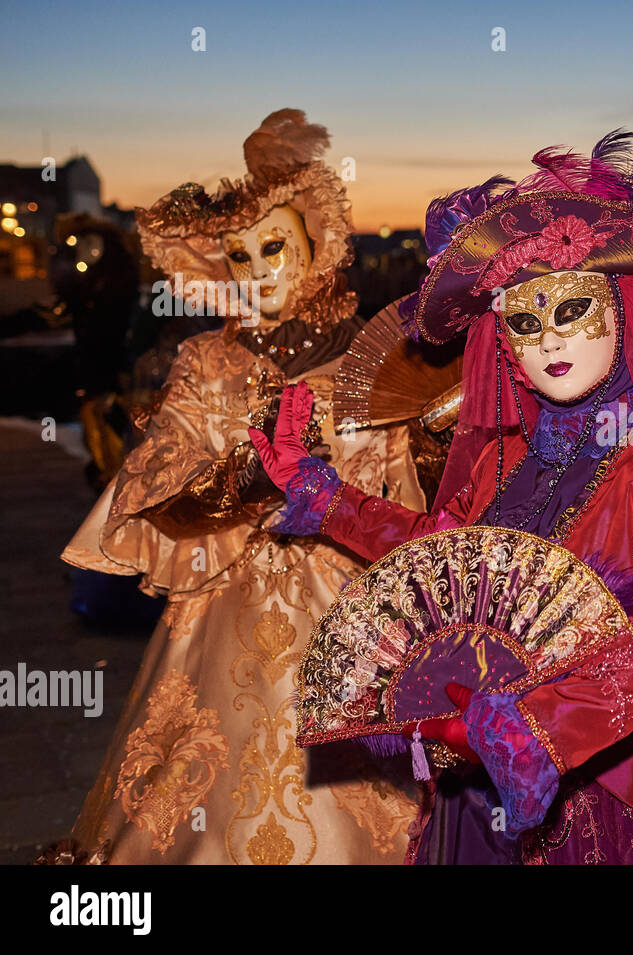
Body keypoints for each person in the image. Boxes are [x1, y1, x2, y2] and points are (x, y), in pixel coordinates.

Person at [253, 131, 633, 864]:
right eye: (522, 319)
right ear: (501, 339)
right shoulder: (508, 460)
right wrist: (324, 496)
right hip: (477, 790)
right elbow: (440, 561)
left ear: (625, 307)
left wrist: (529, 729)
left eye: (571, 308)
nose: (547, 340)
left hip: (627, 788)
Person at [52, 110, 441, 864]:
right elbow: (154, 474)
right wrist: (243, 480)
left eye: (275, 247)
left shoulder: (379, 360)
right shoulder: (206, 362)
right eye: (238, 255)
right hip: (225, 603)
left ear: (315, 248)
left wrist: (431, 439)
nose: (258, 269)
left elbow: (410, 506)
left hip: (353, 614)